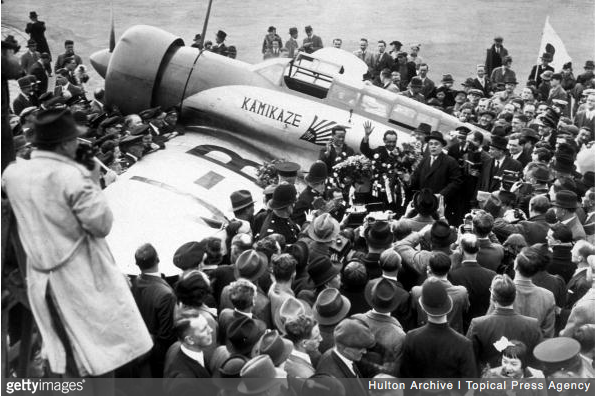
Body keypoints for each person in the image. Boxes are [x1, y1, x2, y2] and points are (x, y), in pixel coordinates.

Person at [2, 108, 153, 378]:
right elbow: (102, 224)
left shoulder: (15, 174)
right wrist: (93, 181)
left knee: (66, 350)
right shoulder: (74, 178)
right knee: (101, 354)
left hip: (38, 278)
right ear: (63, 144)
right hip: (79, 280)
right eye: (73, 140)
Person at [401, 278, 477, 378]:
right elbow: (469, 384)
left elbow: (405, 378)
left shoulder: (411, 338)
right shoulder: (463, 344)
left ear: (423, 307)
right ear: (448, 305)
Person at [467, 275, 542, 372]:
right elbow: (538, 360)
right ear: (515, 294)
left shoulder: (478, 324)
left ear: (492, 296)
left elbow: (469, 360)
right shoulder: (532, 324)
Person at [131, 243, 177, 377]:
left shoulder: (135, 283)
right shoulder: (166, 294)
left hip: (140, 350)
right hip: (157, 361)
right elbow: (166, 336)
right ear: (158, 259)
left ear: (136, 264)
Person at [487, 247, 555, 338]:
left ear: (515, 266)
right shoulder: (548, 296)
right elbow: (547, 333)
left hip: (504, 348)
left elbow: (490, 326)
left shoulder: (501, 290)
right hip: (533, 349)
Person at [410, 131, 463, 224]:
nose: (433, 146)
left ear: (442, 146)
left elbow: (456, 182)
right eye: (430, 144)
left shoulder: (450, 162)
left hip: (439, 204)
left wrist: (441, 195)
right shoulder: (424, 160)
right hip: (423, 203)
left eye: (436, 144)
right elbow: (416, 178)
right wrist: (407, 180)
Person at [411, 252, 469, 333]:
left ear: (429, 269)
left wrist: (429, 280)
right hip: (454, 336)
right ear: (450, 268)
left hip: (424, 336)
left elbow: (413, 311)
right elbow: (465, 310)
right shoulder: (461, 292)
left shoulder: (416, 291)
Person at [315, 318, 374, 396]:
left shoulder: (343, 356)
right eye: (360, 348)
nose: (365, 351)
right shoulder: (333, 382)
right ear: (345, 349)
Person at [449, 234, 496, 330]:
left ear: (461, 250)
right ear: (478, 249)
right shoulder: (492, 275)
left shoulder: (452, 275)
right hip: (484, 325)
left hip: (462, 326)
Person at [164, 309, 215, 395]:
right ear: (190, 340)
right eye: (204, 329)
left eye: (208, 326)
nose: (211, 330)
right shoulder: (183, 384)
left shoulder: (181, 348)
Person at [284, 314, 321, 378]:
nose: (321, 339)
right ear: (304, 343)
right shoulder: (306, 375)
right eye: (316, 337)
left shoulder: (285, 352)